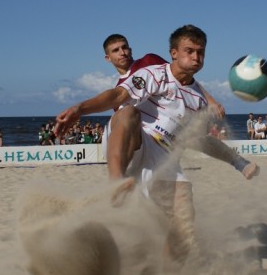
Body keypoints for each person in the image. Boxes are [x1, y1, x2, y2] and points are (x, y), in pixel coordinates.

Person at [54, 25, 259, 265]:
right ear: (174, 53)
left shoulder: (195, 99)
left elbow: (198, 140)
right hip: (136, 138)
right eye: (189, 51)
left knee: (182, 223)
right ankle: (115, 183)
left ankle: (165, 274)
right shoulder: (153, 73)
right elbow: (117, 96)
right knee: (128, 111)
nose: (196, 57)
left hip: (163, 155)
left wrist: (237, 161)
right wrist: (80, 109)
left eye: (200, 52)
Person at [101, 33, 256, 179]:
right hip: (150, 138)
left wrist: (211, 100)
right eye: (116, 50)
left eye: (124, 47)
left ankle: (239, 162)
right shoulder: (119, 89)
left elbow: (183, 77)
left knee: (197, 138)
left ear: (130, 49)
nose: (122, 52)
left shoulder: (148, 61)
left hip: (175, 110)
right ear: (108, 58)